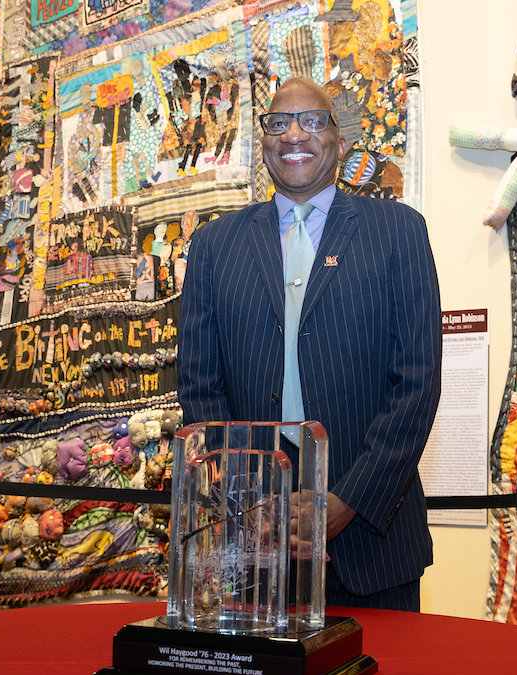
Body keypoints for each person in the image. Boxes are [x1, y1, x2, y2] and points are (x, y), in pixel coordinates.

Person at [178, 77, 441, 610]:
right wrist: (252, 504)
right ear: (265, 143)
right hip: (253, 544)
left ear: (339, 144)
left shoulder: (399, 231)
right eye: (278, 122)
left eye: (312, 120)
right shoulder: (212, 246)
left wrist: (347, 502)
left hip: (372, 543)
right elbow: (199, 388)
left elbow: (417, 383)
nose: (294, 132)